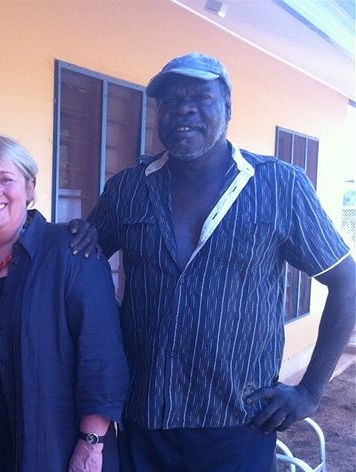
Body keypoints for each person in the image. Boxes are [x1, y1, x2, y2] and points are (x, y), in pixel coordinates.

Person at [87, 53, 356, 471]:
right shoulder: (127, 190)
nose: (184, 109)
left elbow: (347, 281)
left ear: (228, 107)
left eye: (200, 97)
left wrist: (309, 391)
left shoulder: (280, 186)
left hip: (239, 423)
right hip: (143, 420)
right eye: (171, 101)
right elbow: (82, 270)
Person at [0, 135, 129, 472]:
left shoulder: (72, 251)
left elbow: (102, 355)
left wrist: (91, 445)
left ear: (30, 188)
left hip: (55, 447)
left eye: (6, 179)